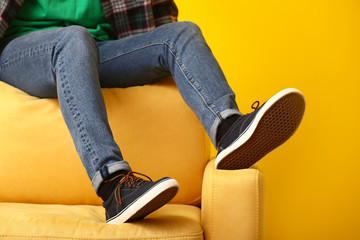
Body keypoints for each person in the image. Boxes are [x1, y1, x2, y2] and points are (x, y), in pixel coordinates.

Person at [0, 0, 305, 225]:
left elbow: (155, 14)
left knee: (180, 34)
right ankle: (113, 185)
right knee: (72, 39)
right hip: (23, 56)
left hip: (97, 50)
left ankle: (228, 129)